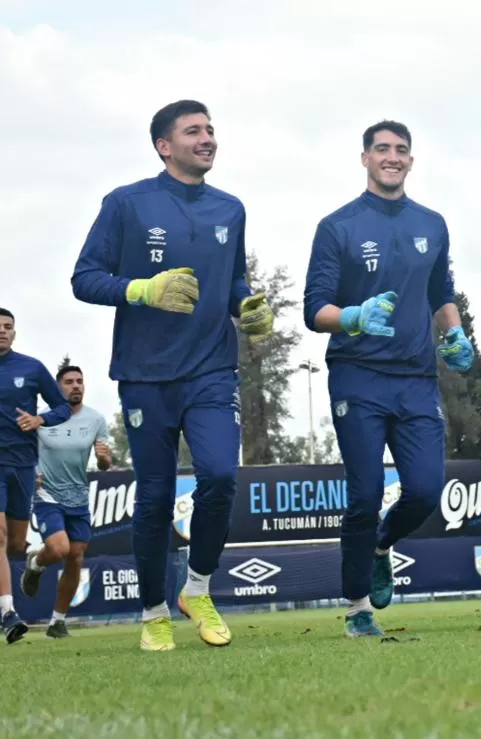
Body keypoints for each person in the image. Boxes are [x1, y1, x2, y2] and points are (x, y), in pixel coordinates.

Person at [70, 99, 275, 652]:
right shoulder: (126, 204)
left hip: (212, 370)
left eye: (211, 130)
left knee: (220, 477)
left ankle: (199, 588)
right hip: (145, 375)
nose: (208, 138)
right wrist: (141, 289)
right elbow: (84, 278)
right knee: (155, 499)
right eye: (194, 131)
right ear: (164, 146)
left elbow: (234, 282)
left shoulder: (231, 209)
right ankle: (153, 611)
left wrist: (248, 306)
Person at [303, 120, 474, 637]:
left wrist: (455, 334)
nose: (392, 157)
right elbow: (315, 310)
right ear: (365, 159)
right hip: (357, 375)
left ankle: (381, 545)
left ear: (411, 160)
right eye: (382, 149)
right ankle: (357, 607)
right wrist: (352, 317)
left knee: (425, 490)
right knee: (365, 491)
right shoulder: (338, 226)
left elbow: (441, 290)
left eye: (401, 150)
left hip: (418, 377)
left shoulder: (432, 223)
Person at [20, 365, 111, 637]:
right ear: (58, 388)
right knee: (59, 549)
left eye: (80, 381)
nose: (76, 386)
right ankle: (36, 563)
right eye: (69, 382)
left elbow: (105, 463)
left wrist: (105, 458)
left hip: (79, 496)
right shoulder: (41, 419)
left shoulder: (95, 419)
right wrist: (30, 472)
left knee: (75, 556)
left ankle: (57, 622)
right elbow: (23, 452)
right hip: (47, 494)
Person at [0, 308, 72, 643]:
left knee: (14, 543)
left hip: (23, 465)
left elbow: (61, 407)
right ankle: (8, 614)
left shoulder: (30, 367)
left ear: (15, 333)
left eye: (8, 327)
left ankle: (30, 560)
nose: (2, 331)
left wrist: (39, 420)